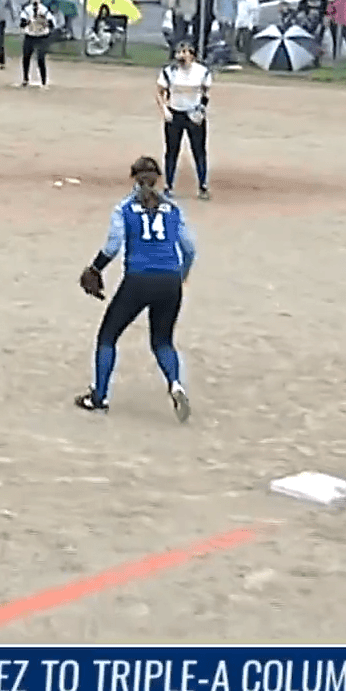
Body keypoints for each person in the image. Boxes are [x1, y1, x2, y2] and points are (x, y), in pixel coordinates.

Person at [74, 157, 196, 422]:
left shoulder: (124, 208)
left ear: (133, 178)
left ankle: (99, 397)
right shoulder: (174, 209)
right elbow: (189, 248)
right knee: (163, 340)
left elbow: (113, 245)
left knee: (108, 336)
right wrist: (181, 276)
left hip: (139, 279)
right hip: (170, 280)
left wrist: (95, 268)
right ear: (159, 179)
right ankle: (176, 384)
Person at [157, 41, 211, 199]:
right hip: (175, 114)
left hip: (193, 114)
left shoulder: (202, 72)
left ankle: (203, 185)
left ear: (192, 55)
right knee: (172, 151)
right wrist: (165, 110)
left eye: (186, 52)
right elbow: (159, 92)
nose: (182, 55)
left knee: (199, 151)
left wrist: (201, 109)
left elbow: (205, 92)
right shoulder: (169, 72)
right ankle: (168, 186)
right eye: (180, 51)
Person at [17, 0, 55, 88]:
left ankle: (43, 81)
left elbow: (51, 23)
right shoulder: (27, 10)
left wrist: (44, 23)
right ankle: (25, 78)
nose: (35, 2)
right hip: (30, 35)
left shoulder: (44, 10)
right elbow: (22, 23)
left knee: (41, 58)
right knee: (26, 57)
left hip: (42, 36)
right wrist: (27, 22)